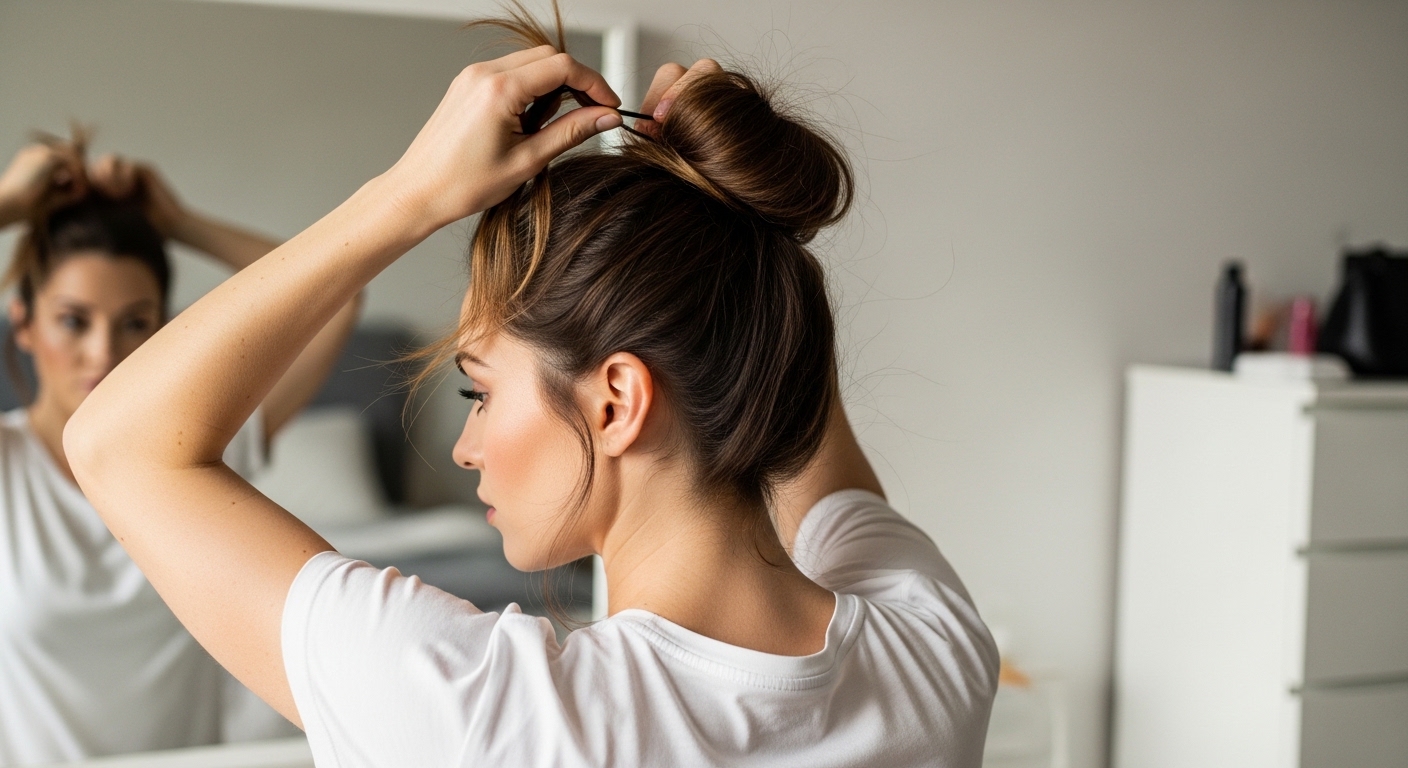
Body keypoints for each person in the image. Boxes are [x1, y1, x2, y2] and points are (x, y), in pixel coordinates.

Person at [65, 13, 999, 767]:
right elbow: (797, 397)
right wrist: (732, 218)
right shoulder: (934, 650)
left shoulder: (490, 718)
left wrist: (414, 193)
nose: (466, 446)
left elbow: (119, 444)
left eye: (479, 394)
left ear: (617, 402)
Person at [0, 136, 361, 765]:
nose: (104, 354)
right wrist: (8, 204)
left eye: (135, 322)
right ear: (23, 323)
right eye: (73, 321)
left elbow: (339, 300)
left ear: (166, 328)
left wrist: (180, 224)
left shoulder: (192, 452)